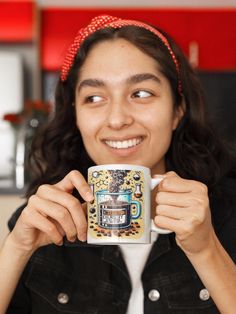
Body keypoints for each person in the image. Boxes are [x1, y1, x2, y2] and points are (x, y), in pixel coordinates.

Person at [0, 14, 236, 314]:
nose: (117, 119)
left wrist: (207, 251)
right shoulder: (42, 221)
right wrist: (16, 250)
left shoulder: (228, 213)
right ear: (75, 115)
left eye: (141, 93)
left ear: (177, 110)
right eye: (95, 97)